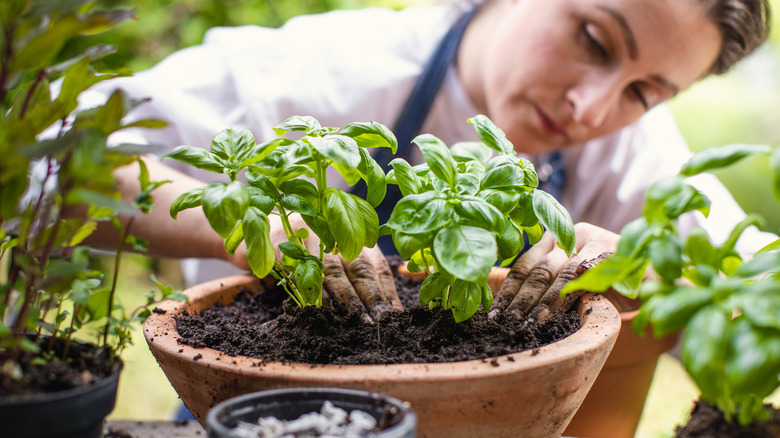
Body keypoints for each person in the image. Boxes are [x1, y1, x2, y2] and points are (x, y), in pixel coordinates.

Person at [81, 0, 774, 321]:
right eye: (593, 38)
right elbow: (49, 159)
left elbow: (754, 284)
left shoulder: (629, 147)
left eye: (644, 91)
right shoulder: (326, 76)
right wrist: (243, 227)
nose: (591, 109)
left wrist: (644, 264)